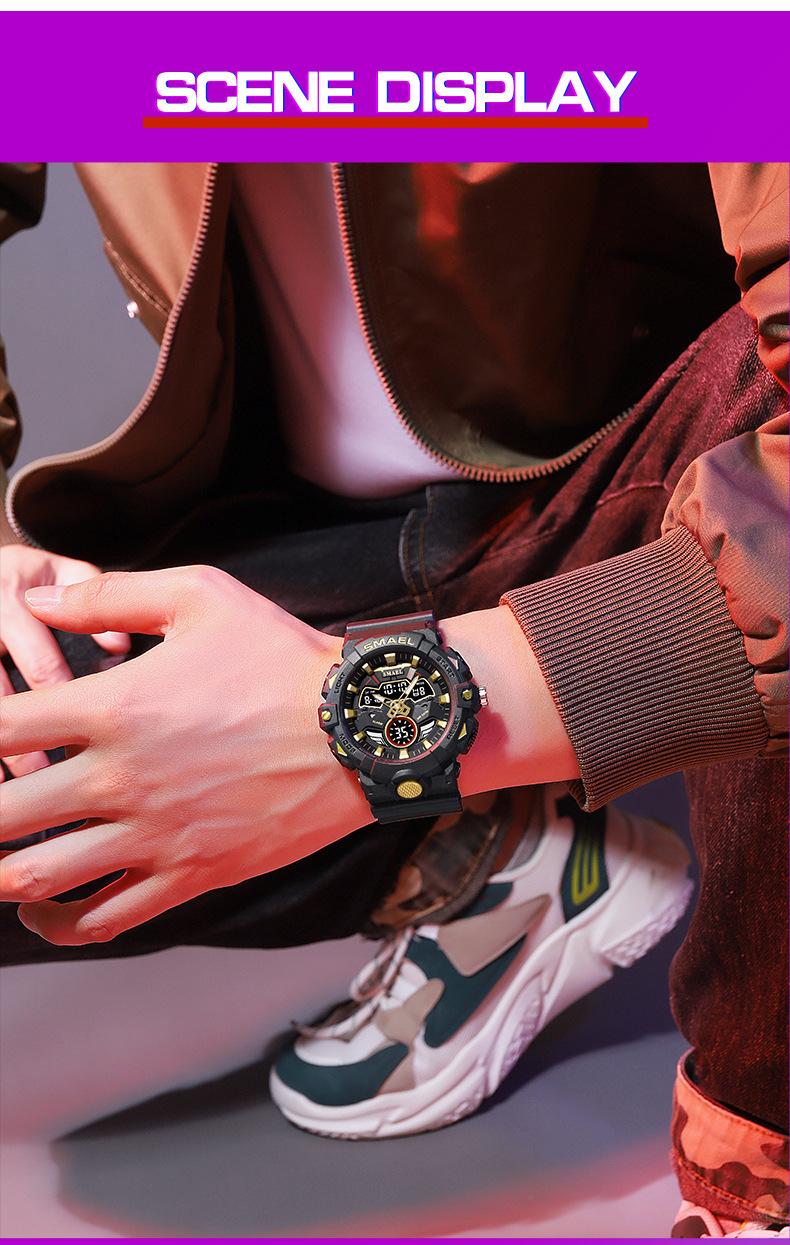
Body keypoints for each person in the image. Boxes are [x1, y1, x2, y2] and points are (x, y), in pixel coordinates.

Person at [0, 162, 786, 1235]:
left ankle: (762, 1156)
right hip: (294, 523)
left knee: (764, 436)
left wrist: (362, 734)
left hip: (652, 462)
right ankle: (477, 853)